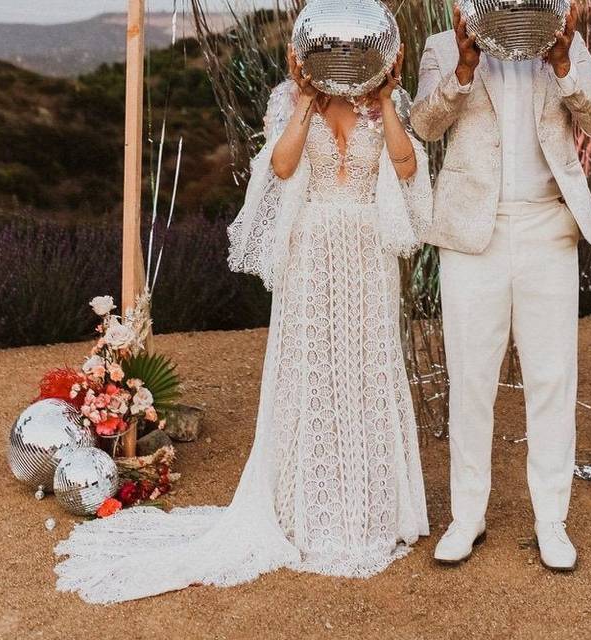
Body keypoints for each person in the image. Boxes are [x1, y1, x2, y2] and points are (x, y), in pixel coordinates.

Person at [54, 45, 433, 604]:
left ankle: (371, 511)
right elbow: (281, 167)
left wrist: (385, 100)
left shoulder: (388, 99)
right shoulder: (288, 98)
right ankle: (307, 510)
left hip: (368, 256)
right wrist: (306, 103)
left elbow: (405, 166)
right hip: (311, 252)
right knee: (309, 372)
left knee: (368, 369)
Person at [411, 5, 591, 571]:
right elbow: (422, 125)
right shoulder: (441, 44)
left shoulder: (564, 42)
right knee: (471, 379)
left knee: (552, 377)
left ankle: (551, 520)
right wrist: (463, 69)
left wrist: (564, 65)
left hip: (548, 227)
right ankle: (466, 516)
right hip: (472, 233)